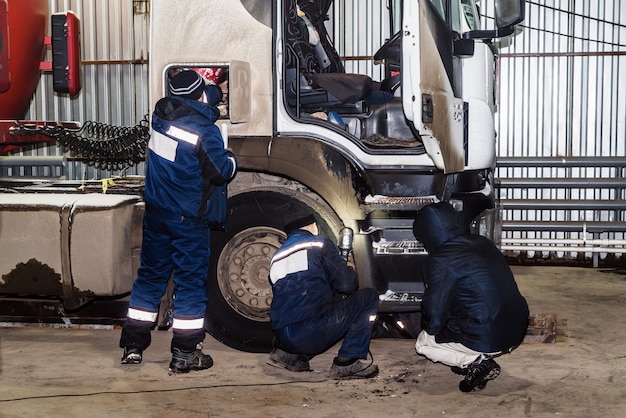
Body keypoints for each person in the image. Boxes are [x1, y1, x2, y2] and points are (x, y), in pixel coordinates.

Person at [119, 70, 238, 373]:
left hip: (157, 213)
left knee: (150, 276)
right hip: (187, 220)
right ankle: (185, 352)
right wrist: (231, 157)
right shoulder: (205, 131)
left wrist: (212, 95)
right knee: (189, 283)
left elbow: (198, 100)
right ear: (199, 95)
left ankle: (133, 345)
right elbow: (221, 172)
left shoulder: (160, 117)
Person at [412, 202, 529, 392]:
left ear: (427, 234)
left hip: (490, 336)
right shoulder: (482, 242)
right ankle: (471, 357)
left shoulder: (441, 260)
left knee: (423, 343)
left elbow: (434, 315)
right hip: (516, 327)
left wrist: (428, 327)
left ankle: (476, 361)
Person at [267, 211, 380, 379]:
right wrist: (346, 267)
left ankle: (288, 356)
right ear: (312, 226)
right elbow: (347, 285)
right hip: (311, 332)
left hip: (283, 336)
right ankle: (347, 363)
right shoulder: (319, 244)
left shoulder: (276, 257)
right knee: (369, 297)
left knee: (307, 304)